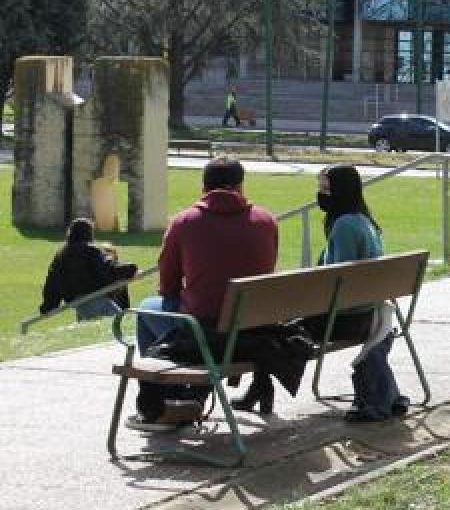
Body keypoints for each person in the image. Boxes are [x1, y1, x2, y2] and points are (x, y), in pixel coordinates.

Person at [127, 157, 278, 433]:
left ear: (204, 187)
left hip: (206, 332)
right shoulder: (266, 221)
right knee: (205, 317)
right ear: (240, 186)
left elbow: (168, 286)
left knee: (148, 309)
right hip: (254, 331)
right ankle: (189, 397)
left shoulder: (185, 222)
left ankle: (160, 403)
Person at [310, 164, 410, 423]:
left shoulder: (343, 226)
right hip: (373, 312)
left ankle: (260, 389)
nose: (320, 195)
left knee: (280, 331)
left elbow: (339, 282)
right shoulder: (366, 221)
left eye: (325, 189)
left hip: (349, 318)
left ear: (339, 191)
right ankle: (388, 396)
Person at [39, 218, 137, 321]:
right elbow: (107, 270)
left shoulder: (61, 255)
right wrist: (131, 269)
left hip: (79, 305)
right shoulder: (91, 251)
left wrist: (48, 307)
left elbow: (53, 283)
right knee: (118, 328)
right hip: (96, 300)